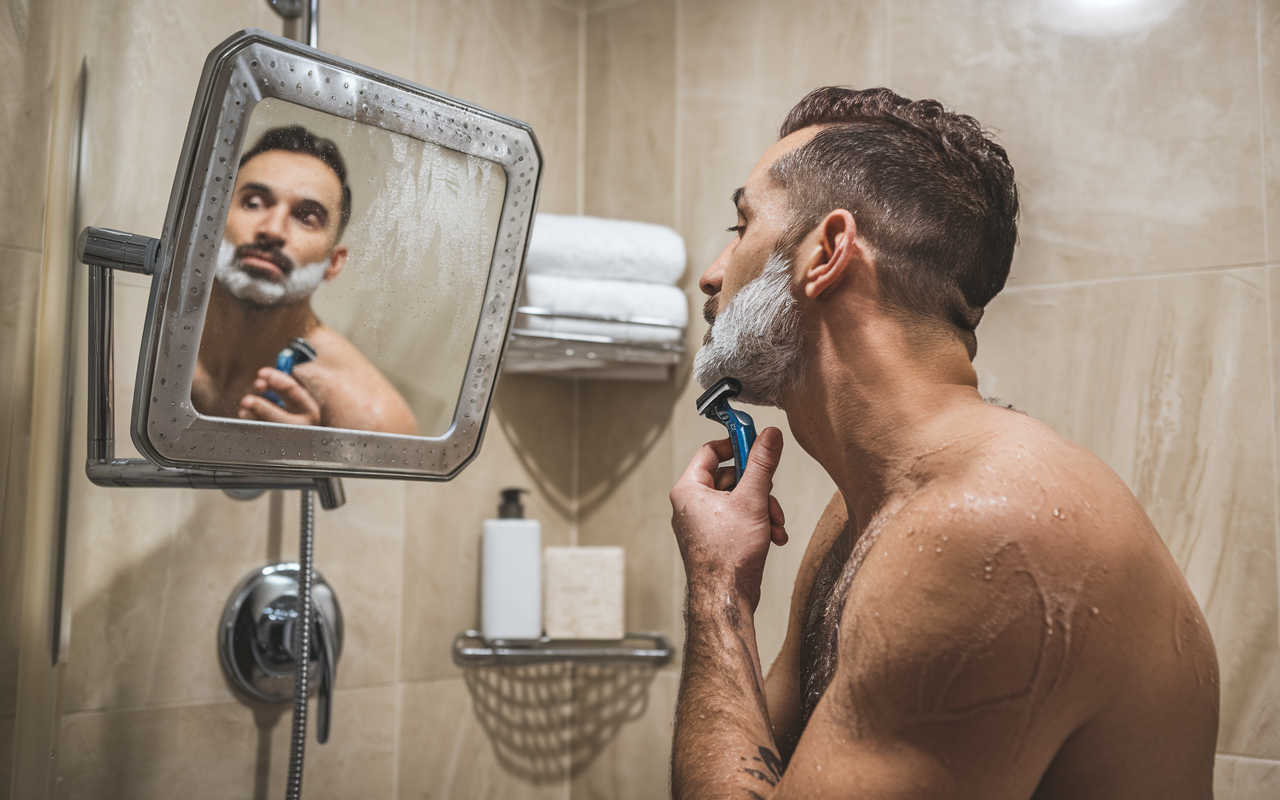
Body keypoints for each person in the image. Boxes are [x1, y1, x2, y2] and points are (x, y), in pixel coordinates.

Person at [669, 87, 1218, 799]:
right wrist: (727, 587)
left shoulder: (989, 531)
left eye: (740, 226)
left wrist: (714, 592)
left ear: (826, 252)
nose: (713, 273)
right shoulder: (863, 513)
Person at [192, 124, 417, 435]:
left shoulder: (374, 417)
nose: (272, 229)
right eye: (253, 202)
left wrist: (307, 462)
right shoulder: (149, 340)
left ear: (333, 263)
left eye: (307, 217)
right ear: (212, 223)